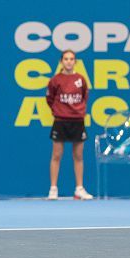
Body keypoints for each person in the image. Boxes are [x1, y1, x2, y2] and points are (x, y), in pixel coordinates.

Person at [46, 50, 93, 201]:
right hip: (60, 121)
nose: (68, 61)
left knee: (78, 156)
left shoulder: (81, 79)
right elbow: (49, 98)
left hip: (77, 121)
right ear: (61, 61)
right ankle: (53, 189)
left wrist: (77, 111)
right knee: (56, 155)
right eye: (66, 59)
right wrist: (58, 110)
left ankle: (79, 189)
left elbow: (85, 96)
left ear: (75, 62)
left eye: (71, 59)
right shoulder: (55, 80)